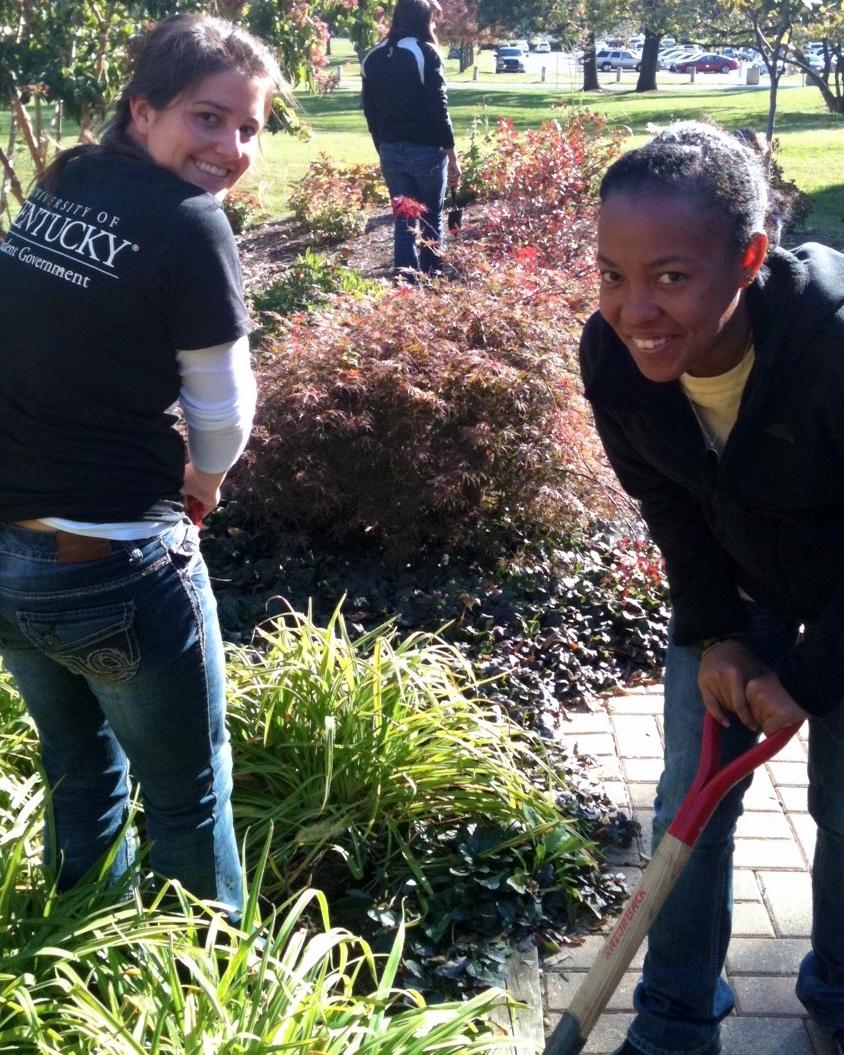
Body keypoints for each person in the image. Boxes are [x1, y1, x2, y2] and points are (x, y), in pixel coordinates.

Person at [0, 13, 288, 922]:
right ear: (144, 107)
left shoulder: (68, 181)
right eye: (209, 118)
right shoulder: (189, 223)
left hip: (11, 558)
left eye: (250, 127)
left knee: (79, 771)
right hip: (115, 557)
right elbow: (224, 409)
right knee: (187, 800)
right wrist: (206, 478)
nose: (232, 147)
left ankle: (90, 960)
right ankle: (206, 1000)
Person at [579, 121, 844, 1055]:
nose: (635, 307)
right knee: (687, 801)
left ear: (750, 259)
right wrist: (719, 631)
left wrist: (808, 679)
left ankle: (840, 994)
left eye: (672, 276)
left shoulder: (833, 344)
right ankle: (673, 1019)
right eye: (613, 272)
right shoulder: (612, 357)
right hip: (740, 574)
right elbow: (670, 502)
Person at [361, 0, 461, 275]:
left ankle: (406, 283)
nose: (434, 24)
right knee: (430, 219)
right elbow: (439, 108)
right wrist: (452, 154)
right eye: (432, 18)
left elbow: (371, 113)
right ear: (422, 19)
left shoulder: (373, 56)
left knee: (404, 222)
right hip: (427, 151)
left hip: (390, 151)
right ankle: (431, 279)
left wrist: (382, 148)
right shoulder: (425, 53)